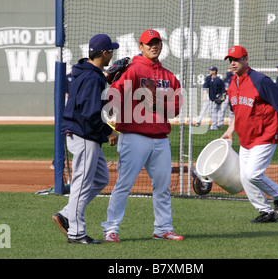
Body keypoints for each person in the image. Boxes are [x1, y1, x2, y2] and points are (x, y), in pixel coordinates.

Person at [101, 29, 183, 242]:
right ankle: (111, 229)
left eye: (157, 43)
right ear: (141, 46)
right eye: (149, 43)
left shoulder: (169, 76)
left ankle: (163, 228)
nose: (153, 46)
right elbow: (113, 96)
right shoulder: (134, 69)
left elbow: (175, 109)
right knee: (124, 184)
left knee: (162, 187)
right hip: (134, 136)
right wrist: (110, 83)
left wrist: (157, 104)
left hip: (161, 139)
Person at [52, 34, 119, 244]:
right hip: (84, 135)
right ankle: (76, 234)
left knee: (100, 178)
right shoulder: (91, 78)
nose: (113, 54)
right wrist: (108, 131)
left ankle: (65, 214)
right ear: (105, 53)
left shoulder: (86, 71)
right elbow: (90, 113)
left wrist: (106, 77)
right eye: (111, 51)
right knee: (81, 184)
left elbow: (87, 97)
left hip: (83, 133)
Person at [220, 45, 278, 223]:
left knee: (252, 174)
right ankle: (265, 211)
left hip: (265, 134)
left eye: (236, 59)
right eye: (230, 60)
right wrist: (230, 131)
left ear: (246, 59)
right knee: (245, 178)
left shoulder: (260, 80)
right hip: (246, 139)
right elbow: (239, 112)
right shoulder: (232, 84)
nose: (233, 63)